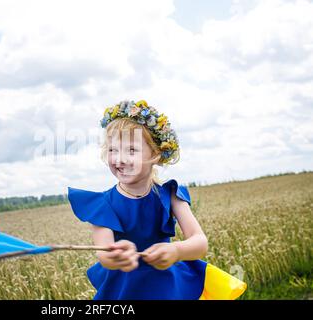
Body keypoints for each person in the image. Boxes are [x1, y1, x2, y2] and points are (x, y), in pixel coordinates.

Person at [67, 100, 247, 300]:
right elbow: (105, 256)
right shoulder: (102, 205)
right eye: (112, 150)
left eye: (131, 150)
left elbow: (200, 242)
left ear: (155, 154)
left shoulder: (170, 195)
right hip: (125, 292)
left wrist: (177, 251)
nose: (119, 159)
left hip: (168, 287)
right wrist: (118, 255)